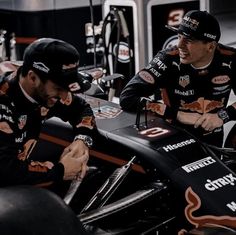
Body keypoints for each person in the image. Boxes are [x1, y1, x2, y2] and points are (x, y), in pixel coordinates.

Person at [120, 10, 236, 147]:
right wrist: (177, 114)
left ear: (210, 46)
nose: (180, 45)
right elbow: (127, 97)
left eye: (189, 40)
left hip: (213, 140)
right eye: (179, 36)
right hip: (171, 138)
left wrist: (222, 116)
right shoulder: (167, 59)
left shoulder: (230, 58)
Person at [0, 38, 97, 187]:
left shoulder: (46, 91)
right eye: (59, 88)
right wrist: (61, 171)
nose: (65, 96)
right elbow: (5, 171)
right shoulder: (3, 105)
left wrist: (82, 140)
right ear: (33, 78)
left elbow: (81, 108)